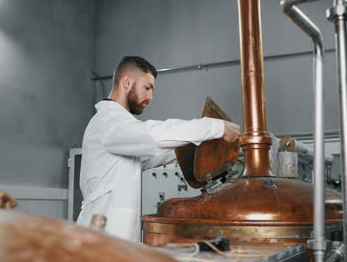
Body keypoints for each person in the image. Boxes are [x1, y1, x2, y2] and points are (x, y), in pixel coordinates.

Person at [76, 56, 240, 242]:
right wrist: (214, 127)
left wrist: (196, 147)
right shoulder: (108, 121)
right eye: (147, 88)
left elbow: (153, 154)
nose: (150, 98)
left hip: (117, 240)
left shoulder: (122, 132)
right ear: (127, 82)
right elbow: (152, 134)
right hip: (99, 239)